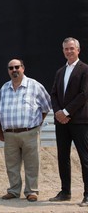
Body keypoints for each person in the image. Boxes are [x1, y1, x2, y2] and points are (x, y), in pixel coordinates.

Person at [0, 59, 51, 202]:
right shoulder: (4, 88)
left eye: (17, 67)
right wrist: (1, 130)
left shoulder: (34, 86)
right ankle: (14, 190)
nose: (14, 70)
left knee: (32, 163)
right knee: (11, 164)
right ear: (8, 70)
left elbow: (46, 106)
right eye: (11, 68)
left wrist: (38, 123)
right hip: (10, 134)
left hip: (30, 132)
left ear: (23, 68)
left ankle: (31, 191)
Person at [49, 37, 88, 207]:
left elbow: (84, 95)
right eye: (66, 49)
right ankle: (65, 191)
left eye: (71, 48)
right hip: (61, 123)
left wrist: (65, 112)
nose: (69, 51)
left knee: (84, 158)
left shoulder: (85, 69)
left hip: (79, 121)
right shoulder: (60, 72)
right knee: (62, 157)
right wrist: (58, 112)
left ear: (78, 50)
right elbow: (54, 94)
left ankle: (87, 194)